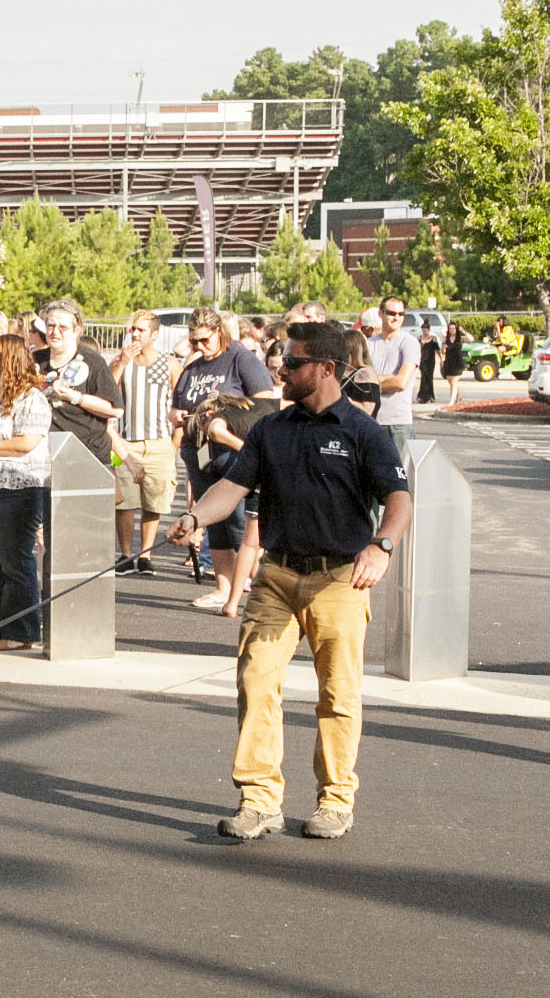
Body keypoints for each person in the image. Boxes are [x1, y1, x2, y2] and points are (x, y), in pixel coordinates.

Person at [168, 320, 413, 843]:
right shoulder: (270, 429)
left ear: (326, 368)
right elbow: (232, 488)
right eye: (282, 359)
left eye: (293, 362)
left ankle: (335, 801)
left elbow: (399, 499)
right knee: (256, 681)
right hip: (277, 574)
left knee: (338, 694)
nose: (281, 368)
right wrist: (197, 519)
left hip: (340, 578)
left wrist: (382, 545)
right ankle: (259, 801)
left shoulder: (364, 433)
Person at [170, 305, 274, 611]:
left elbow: (265, 403)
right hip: (200, 451)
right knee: (212, 519)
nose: (199, 347)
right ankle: (224, 587)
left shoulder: (240, 358)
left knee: (240, 520)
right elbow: (177, 402)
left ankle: (256, 585)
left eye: (204, 340)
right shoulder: (193, 367)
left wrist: (225, 413)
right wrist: (175, 415)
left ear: (219, 333)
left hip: (232, 449)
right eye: (193, 342)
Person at [0, 334, 51, 650]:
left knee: (16, 562)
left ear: (9, 360)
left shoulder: (32, 398)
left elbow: (27, 441)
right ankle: (2, 628)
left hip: (18, 488)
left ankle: (23, 632)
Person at [110, 309, 181, 575]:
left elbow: (180, 400)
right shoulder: (122, 360)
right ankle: (126, 554)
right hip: (125, 442)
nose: (135, 334)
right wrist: (120, 363)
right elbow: (108, 391)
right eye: (133, 329)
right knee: (125, 501)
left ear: (154, 334)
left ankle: (145, 555)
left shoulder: (169, 363)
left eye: (141, 330)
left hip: (159, 440)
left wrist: (174, 441)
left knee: (154, 501)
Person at [33, 298, 122, 471]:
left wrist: (76, 398)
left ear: (76, 330)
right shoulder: (35, 361)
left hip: (88, 457)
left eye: (63, 327)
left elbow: (116, 409)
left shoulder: (93, 362)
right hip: (45, 458)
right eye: (50, 326)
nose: (55, 332)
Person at [364, 297, 420, 450]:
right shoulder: (368, 344)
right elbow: (360, 381)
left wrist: (372, 383)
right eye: (391, 313)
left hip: (398, 424)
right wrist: (389, 378)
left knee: (399, 472)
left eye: (401, 314)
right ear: (380, 314)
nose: (397, 317)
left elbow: (401, 382)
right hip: (371, 420)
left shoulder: (409, 343)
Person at [441, 322, 469, 408]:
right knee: (451, 382)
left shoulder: (460, 338)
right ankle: (457, 397)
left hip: (458, 362)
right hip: (449, 362)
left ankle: (451, 401)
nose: (452, 330)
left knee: (453, 382)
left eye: (453, 328)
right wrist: (444, 348)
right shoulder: (446, 339)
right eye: (450, 328)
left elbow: (471, 339)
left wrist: (463, 331)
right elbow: (443, 351)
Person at [416, 323, 440, 405]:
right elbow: (416, 350)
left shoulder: (433, 339)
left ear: (428, 330)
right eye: (423, 330)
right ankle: (423, 396)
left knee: (429, 378)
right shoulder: (419, 338)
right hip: (422, 361)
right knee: (423, 377)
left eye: (425, 330)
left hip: (430, 361)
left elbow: (438, 349)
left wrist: (441, 359)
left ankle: (428, 396)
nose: (424, 332)